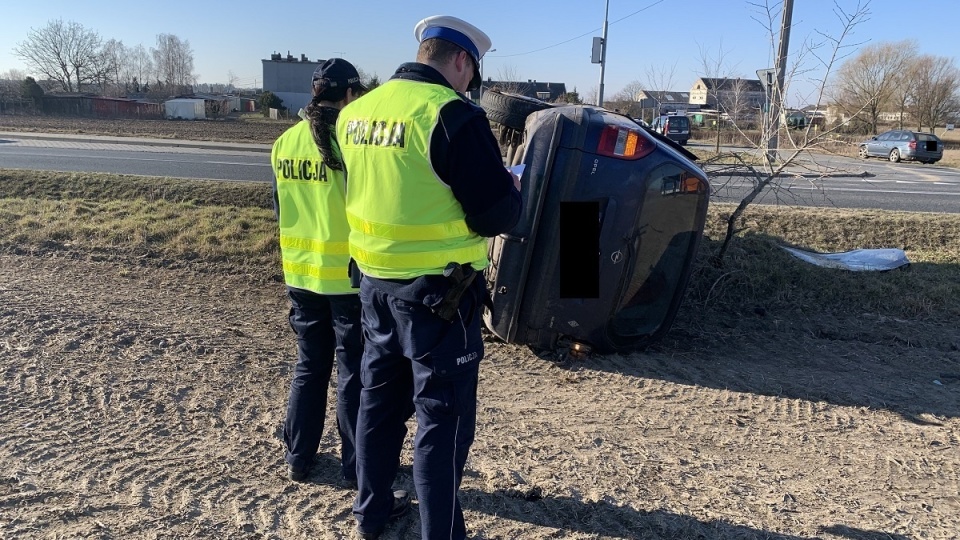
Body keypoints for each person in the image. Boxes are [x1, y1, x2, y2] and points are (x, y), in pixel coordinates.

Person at [336, 15, 522, 540]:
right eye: (472, 73)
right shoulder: (452, 115)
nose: (471, 84)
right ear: (461, 61)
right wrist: (513, 189)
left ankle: (371, 515)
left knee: (379, 404)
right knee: (442, 420)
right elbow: (495, 216)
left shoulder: (358, 112)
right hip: (440, 298)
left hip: (374, 285)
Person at [271, 58, 367, 485]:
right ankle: (356, 465)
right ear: (349, 95)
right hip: (346, 279)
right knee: (352, 376)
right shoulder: (353, 146)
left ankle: (298, 457)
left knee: (309, 368)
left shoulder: (284, 143)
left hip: (300, 276)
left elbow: (280, 209)